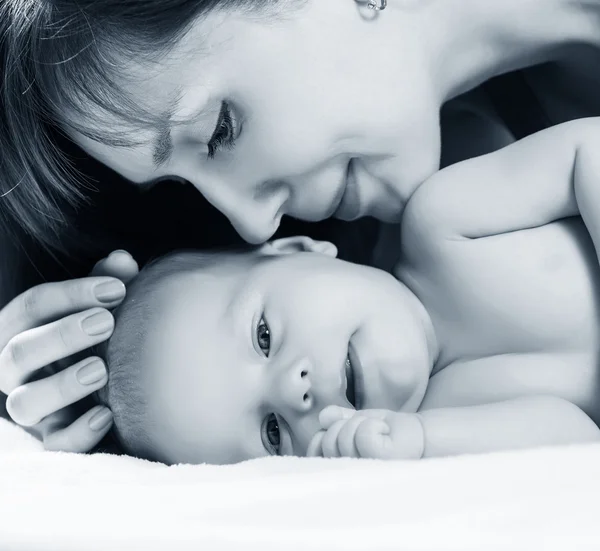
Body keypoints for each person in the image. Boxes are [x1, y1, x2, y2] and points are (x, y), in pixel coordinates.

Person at [2, 0, 600, 453]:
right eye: (271, 432)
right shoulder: (425, 406)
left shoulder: (447, 217)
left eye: (219, 131)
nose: (252, 221)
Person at [45, 118, 600, 465]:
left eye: (263, 335)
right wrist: (423, 443)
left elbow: (587, 151)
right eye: (272, 432)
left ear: (299, 250)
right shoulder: (440, 418)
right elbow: (575, 441)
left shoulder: (444, 224)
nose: (295, 390)